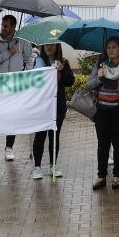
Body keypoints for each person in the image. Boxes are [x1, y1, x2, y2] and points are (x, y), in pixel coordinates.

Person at [87, 36, 119, 191]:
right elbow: (89, 85)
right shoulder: (101, 65)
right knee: (102, 144)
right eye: (108, 47)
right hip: (102, 110)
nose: (111, 50)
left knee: (118, 142)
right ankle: (101, 176)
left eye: (114, 47)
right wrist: (99, 77)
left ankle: (117, 176)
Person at [0, 14, 34, 162]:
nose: (2, 28)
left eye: (5, 26)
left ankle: (9, 148)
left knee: (12, 117)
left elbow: (29, 58)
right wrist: (9, 52)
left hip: (14, 86)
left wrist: (25, 74)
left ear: (13, 27)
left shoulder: (22, 40)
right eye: (2, 25)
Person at [32, 43, 74, 180]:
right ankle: (37, 167)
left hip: (58, 106)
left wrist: (62, 70)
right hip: (42, 106)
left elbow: (70, 82)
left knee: (54, 136)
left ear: (57, 46)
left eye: (52, 45)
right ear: (42, 47)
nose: (49, 47)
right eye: (46, 45)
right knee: (40, 136)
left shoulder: (63, 62)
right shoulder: (38, 62)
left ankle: (53, 165)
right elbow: (34, 81)